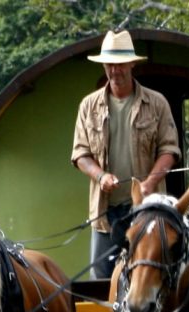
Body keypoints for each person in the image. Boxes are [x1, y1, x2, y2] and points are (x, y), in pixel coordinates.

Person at [71, 30, 181, 279]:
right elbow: (81, 154)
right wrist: (100, 177)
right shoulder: (89, 106)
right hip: (104, 213)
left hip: (146, 210)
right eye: (109, 65)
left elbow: (169, 150)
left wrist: (149, 184)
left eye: (120, 65)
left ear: (132, 64)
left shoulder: (156, 103)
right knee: (101, 280)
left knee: (147, 276)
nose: (114, 71)